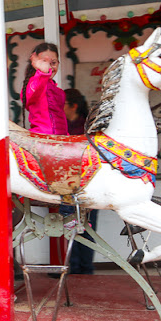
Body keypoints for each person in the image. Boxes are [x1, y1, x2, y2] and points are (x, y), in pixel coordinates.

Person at [64, 88, 96, 274]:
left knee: (87, 227)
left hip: (88, 182)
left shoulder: (87, 127)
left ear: (73, 106)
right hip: (70, 183)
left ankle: (85, 268)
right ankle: (73, 266)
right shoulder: (64, 125)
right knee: (71, 225)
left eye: (63, 106)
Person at [20, 43, 68, 135]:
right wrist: (42, 73)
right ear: (35, 64)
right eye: (44, 62)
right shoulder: (33, 84)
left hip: (60, 140)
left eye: (53, 63)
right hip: (42, 139)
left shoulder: (58, 90)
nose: (49, 67)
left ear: (58, 63)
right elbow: (31, 94)